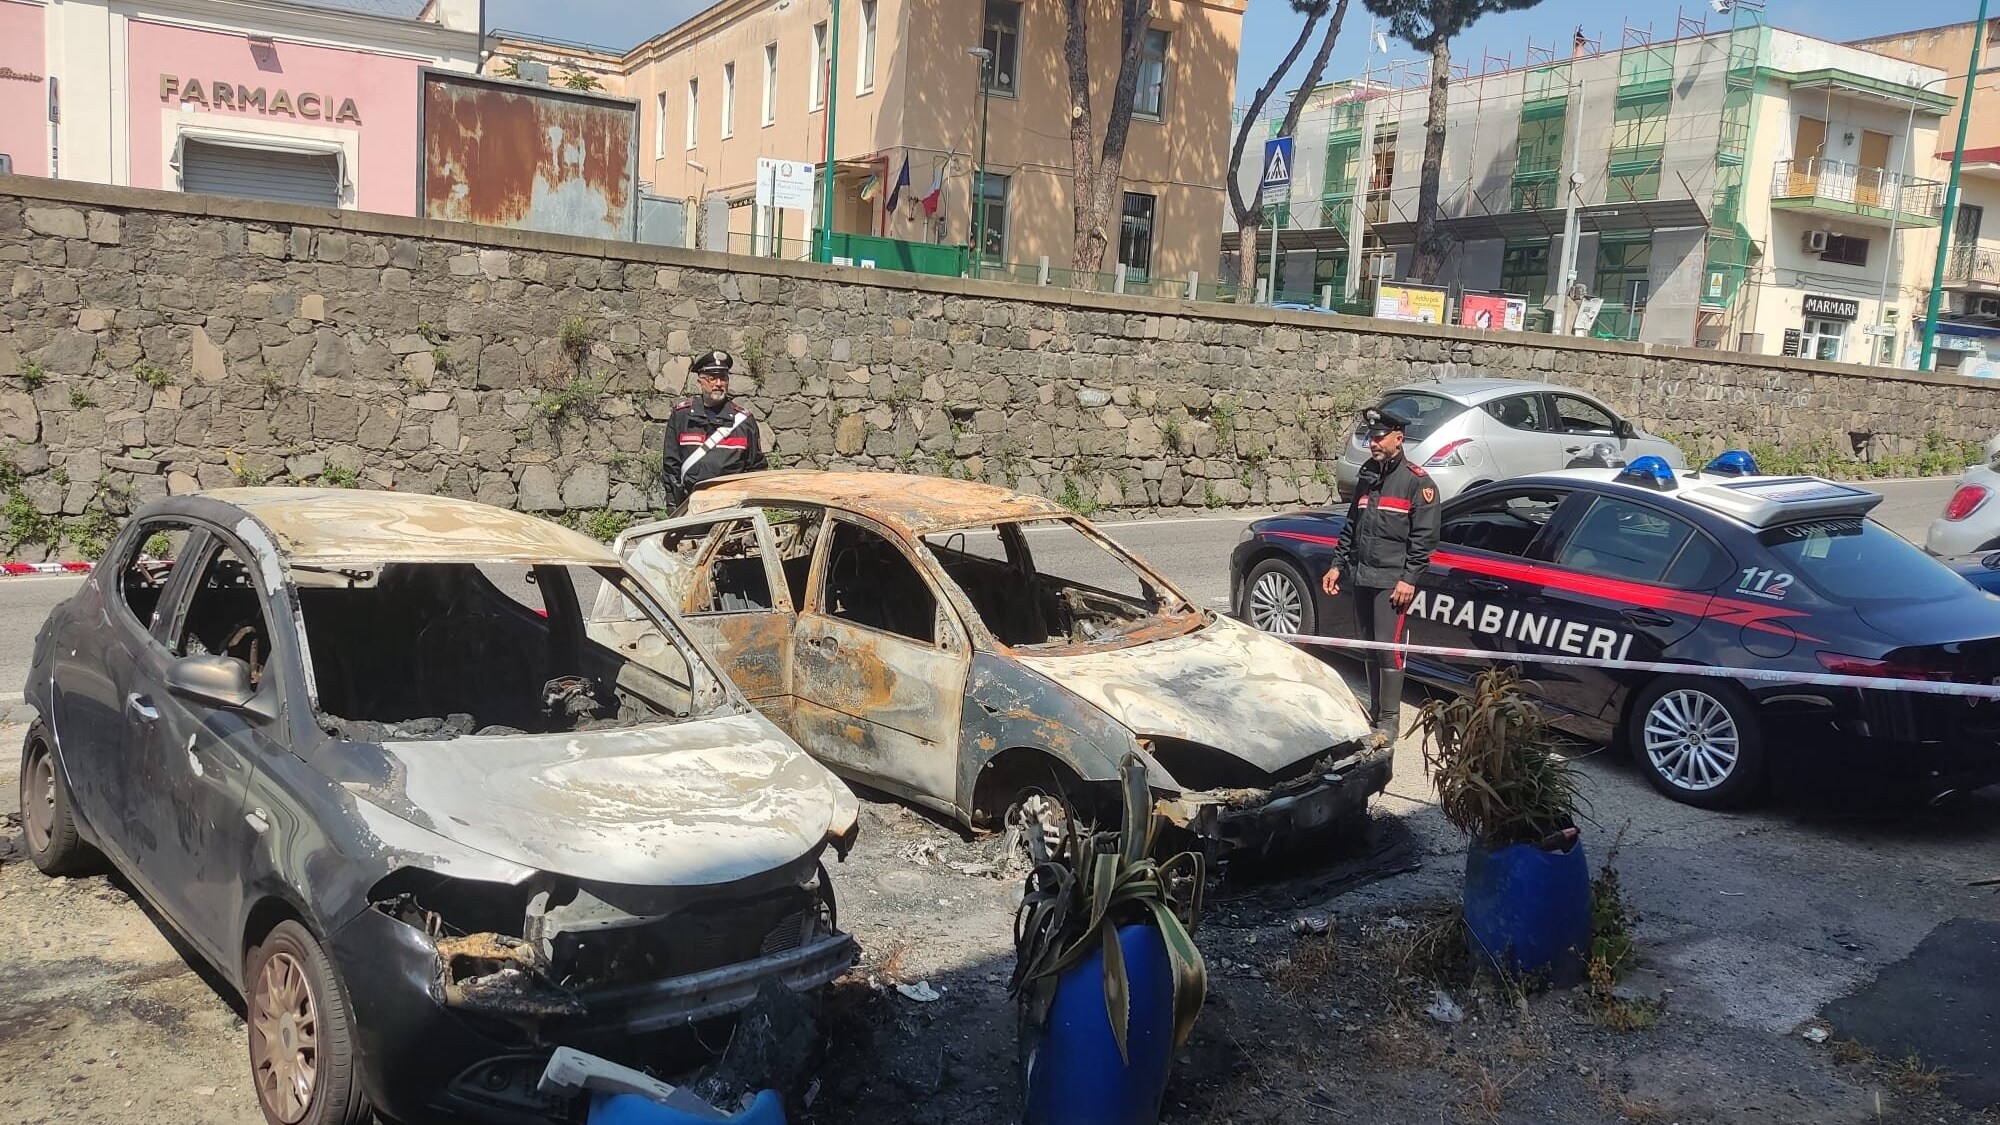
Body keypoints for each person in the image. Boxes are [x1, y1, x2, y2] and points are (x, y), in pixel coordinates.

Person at [1321, 406, 1441, 749]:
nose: (1372, 443)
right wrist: (1336, 565)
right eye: (1369, 437)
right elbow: (1352, 526)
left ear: (1398, 439)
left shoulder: (1417, 483)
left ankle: (1389, 722)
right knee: (1369, 649)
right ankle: (1375, 713)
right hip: (1362, 575)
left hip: (1392, 581)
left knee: (1389, 651)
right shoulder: (1368, 474)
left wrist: (1409, 579)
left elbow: (1424, 540)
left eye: (1378, 437)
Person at [663, 349, 767, 508]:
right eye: (712, 378)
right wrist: (674, 509)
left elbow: (756, 469)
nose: (718, 384)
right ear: (700, 381)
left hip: (732, 510)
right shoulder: (681, 417)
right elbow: (671, 468)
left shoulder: (744, 421)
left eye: (723, 378)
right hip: (691, 508)